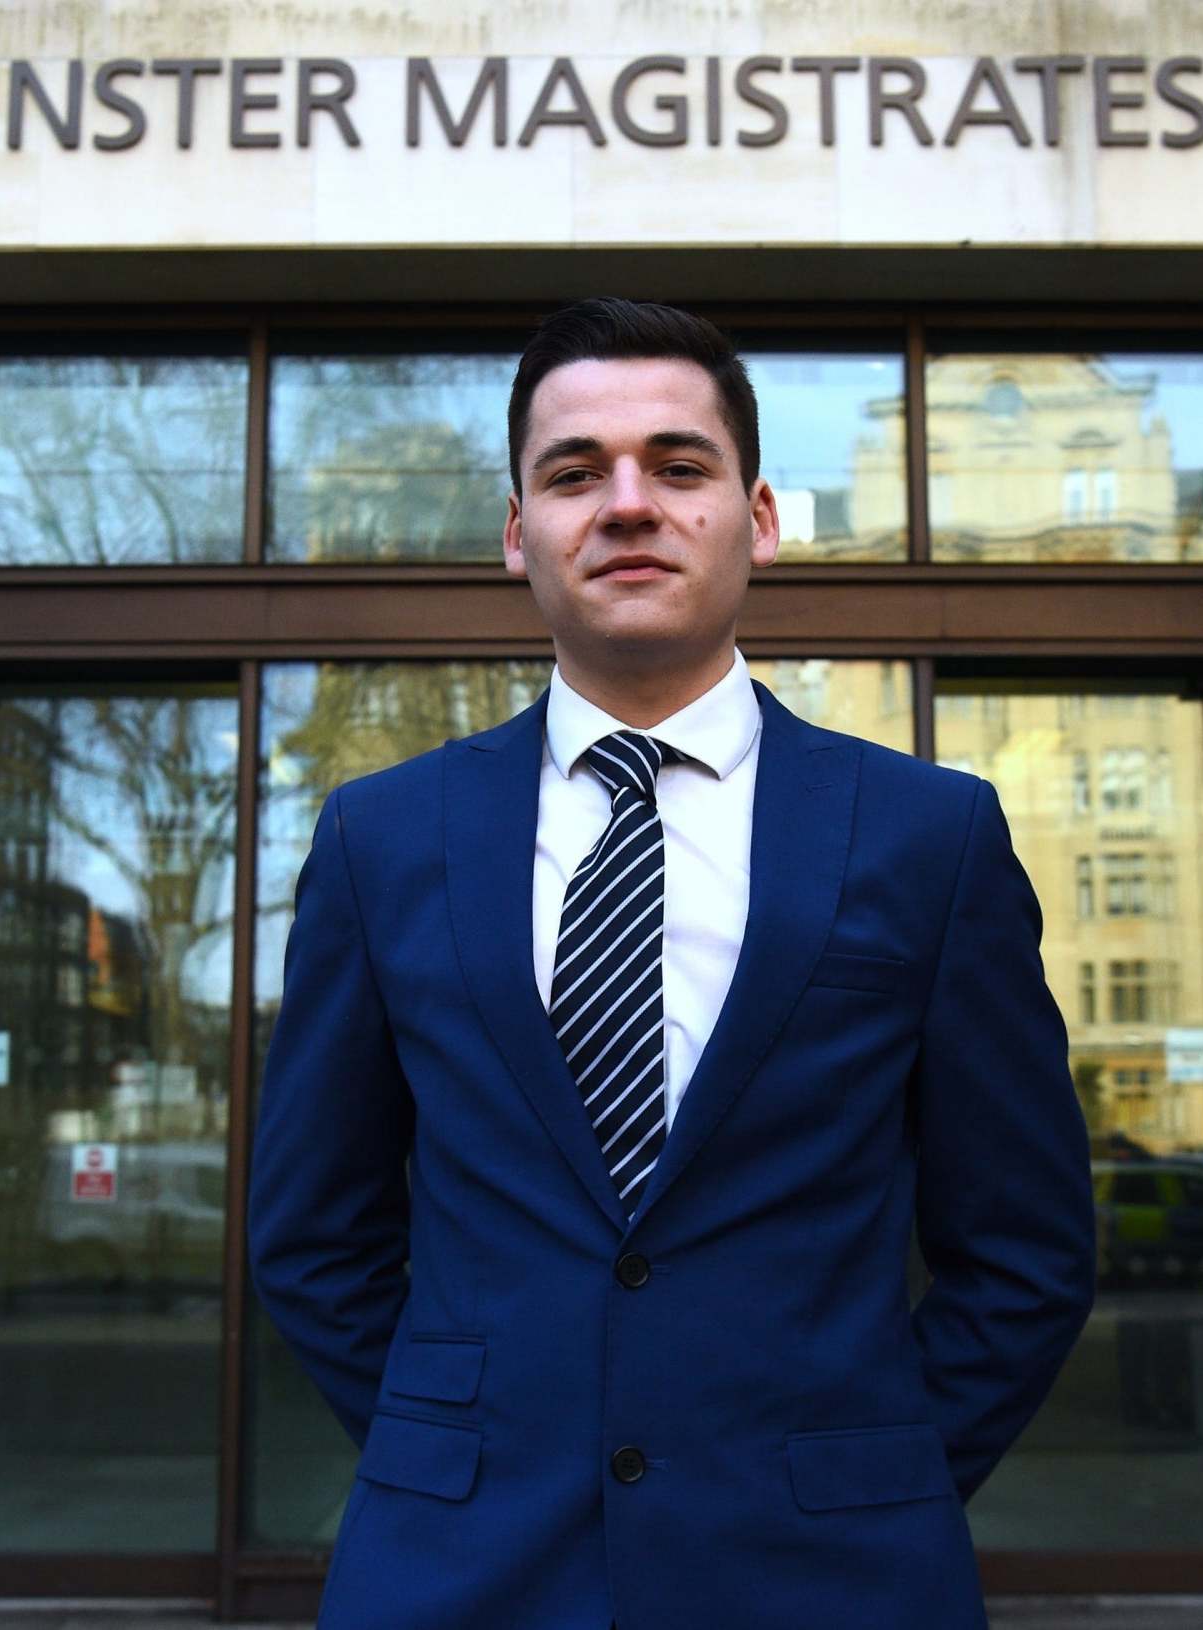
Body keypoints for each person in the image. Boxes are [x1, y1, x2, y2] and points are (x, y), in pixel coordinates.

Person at [246, 297, 1095, 1630]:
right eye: (574, 471)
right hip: (460, 1573)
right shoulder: (383, 838)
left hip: (833, 1577)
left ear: (756, 518)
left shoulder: (930, 837)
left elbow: (1025, 1245)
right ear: (516, 530)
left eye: (676, 465)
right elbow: (311, 1232)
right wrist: (455, 1441)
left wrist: (876, 1464)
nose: (627, 502)